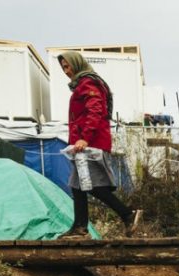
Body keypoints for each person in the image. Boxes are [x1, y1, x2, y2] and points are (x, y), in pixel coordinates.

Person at [57, 51, 141, 239]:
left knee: (92, 186)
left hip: (91, 144)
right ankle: (80, 227)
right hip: (83, 145)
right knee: (77, 186)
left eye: (68, 66)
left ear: (77, 64)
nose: (66, 71)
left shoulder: (88, 83)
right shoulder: (81, 84)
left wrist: (84, 137)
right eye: (63, 67)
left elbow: (95, 111)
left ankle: (128, 214)